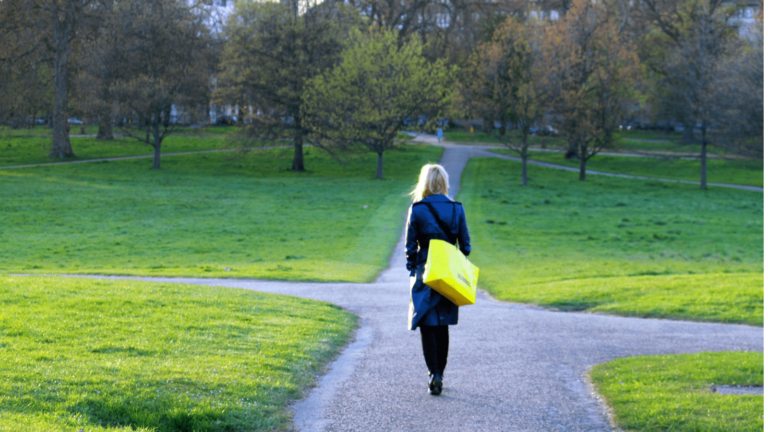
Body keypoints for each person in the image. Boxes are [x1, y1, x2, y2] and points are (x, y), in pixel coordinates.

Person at [405, 163, 471, 396]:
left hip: (425, 271)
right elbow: (466, 246)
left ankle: (433, 373)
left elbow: (410, 249)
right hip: (448, 272)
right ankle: (439, 374)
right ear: (444, 182)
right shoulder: (456, 209)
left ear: (424, 183)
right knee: (443, 324)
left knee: (426, 324)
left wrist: (413, 268)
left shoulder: (417, 209)